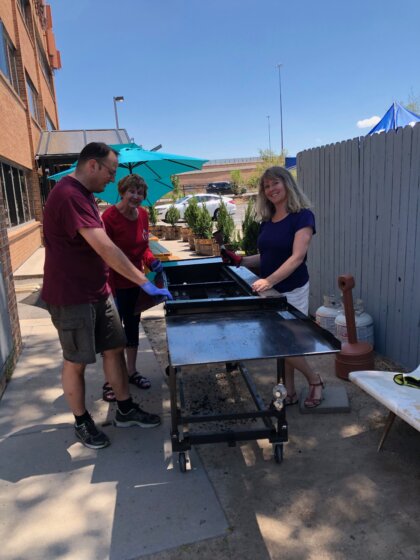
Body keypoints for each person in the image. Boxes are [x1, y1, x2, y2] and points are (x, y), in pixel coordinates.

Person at [42, 142, 172, 450]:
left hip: (98, 291)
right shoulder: (69, 195)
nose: (113, 180)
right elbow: (106, 248)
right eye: (110, 172)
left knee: (114, 347)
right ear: (92, 165)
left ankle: (125, 409)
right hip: (71, 295)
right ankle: (82, 421)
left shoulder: (85, 196)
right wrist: (144, 282)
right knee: (76, 361)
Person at [222, 166, 324, 408]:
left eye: (275, 183)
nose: (270, 190)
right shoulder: (267, 221)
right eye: (266, 186)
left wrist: (269, 280)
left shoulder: (303, 216)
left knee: (286, 342)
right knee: (282, 342)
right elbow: (267, 257)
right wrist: (241, 261)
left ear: (287, 183)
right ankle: (289, 391)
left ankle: (315, 380)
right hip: (270, 290)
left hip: (292, 287)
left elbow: (297, 257)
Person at [101, 174, 161, 402]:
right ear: (122, 192)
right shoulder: (109, 217)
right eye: (131, 192)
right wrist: (110, 291)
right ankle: (110, 381)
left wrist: (151, 260)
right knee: (114, 335)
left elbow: (143, 247)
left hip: (136, 282)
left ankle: (131, 372)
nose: (135, 196)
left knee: (132, 328)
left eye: (140, 193)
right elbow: (104, 254)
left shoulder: (143, 215)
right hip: (114, 284)